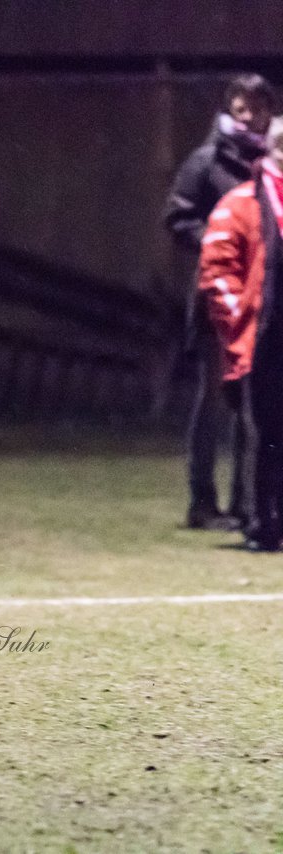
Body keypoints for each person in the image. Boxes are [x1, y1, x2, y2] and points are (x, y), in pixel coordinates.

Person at [165, 74, 276, 530]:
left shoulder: (273, 162)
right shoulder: (207, 160)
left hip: (265, 299)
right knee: (212, 399)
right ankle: (202, 502)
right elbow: (177, 217)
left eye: (256, 107)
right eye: (240, 107)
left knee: (254, 402)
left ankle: (246, 503)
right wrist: (221, 240)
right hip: (219, 295)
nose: (248, 116)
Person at [198, 116, 283, 551]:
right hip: (263, 335)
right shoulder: (240, 203)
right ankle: (262, 521)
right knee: (265, 430)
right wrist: (239, 318)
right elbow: (216, 269)